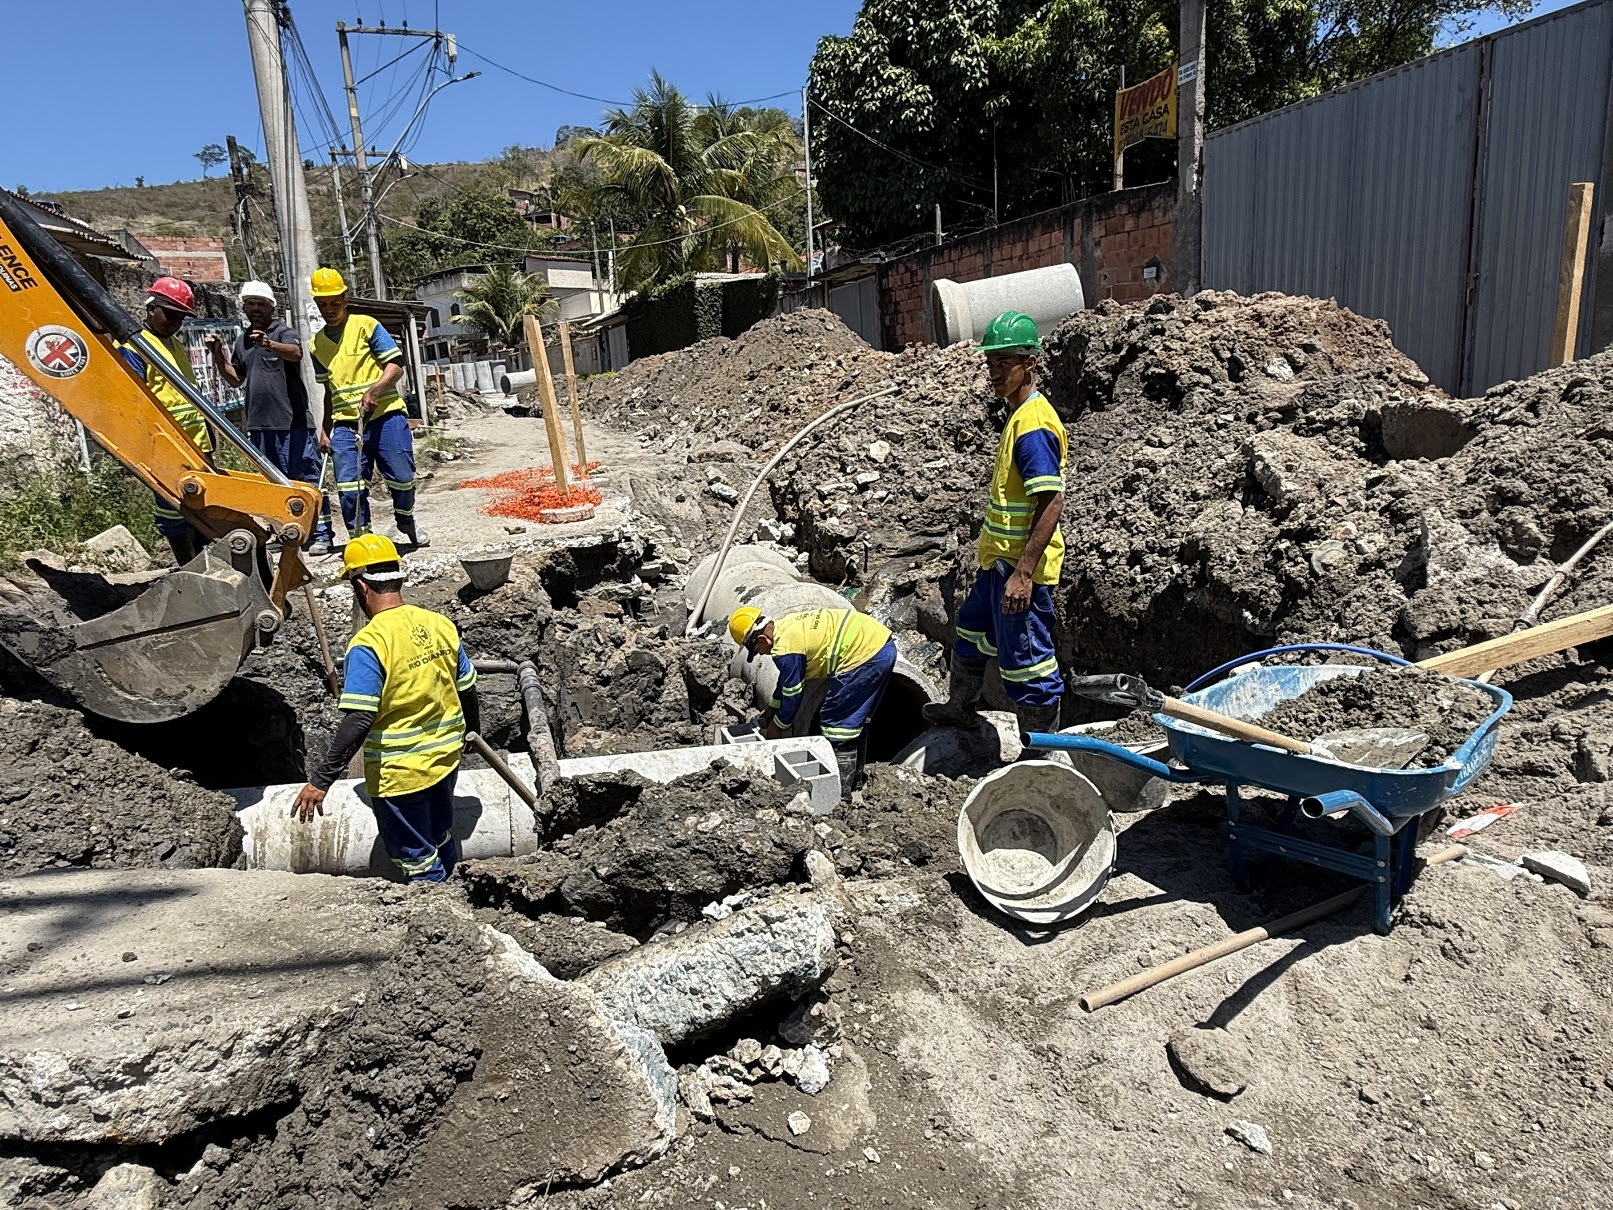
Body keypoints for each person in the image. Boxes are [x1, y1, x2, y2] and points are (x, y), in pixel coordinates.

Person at [291, 534, 477, 883]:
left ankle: (441, 914)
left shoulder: (369, 644)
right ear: (398, 577)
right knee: (440, 834)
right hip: (446, 759)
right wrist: (471, 731)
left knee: (417, 857)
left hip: (400, 775)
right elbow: (467, 686)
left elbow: (360, 718)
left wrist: (321, 780)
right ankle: (454, 886)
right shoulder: (439, 624)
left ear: (360, 586)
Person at [924, 310, 1067, 742]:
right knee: (969, 632)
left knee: (1029, 665)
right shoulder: (1017, 415)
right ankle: (961, 708)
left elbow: (1051, 501)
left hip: (1021, 572)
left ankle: (1040, 754)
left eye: (1005, 363)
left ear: (1030, 364)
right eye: (991, 363)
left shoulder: (1034, 426)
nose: (995, 372)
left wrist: (1023, 574)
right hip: (997, 565)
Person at [205, 280, 333, 554]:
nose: (255, 309)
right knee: (273, 485)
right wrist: (218, 356)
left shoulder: (284, 332)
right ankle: (283, 533)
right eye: (250, 304)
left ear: (271, 307)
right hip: (260, 425)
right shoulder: (242, 341)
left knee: (305, 478)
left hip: (292, 423)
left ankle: (321, 533)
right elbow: (236, 379)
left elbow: (296, 354)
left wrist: (270, 344)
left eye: (260, 304)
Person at [308, 267, 428, 549]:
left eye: (335, 303)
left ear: (345, 299)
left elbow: (396, 366)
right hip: (346, 425)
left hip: (385, 417)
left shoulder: (367, 326)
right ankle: (362, 543)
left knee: (401, 477)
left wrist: (374, 391)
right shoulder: (316, 345)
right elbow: (329, 391)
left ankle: (405, 518)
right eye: (323, 304)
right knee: (349, 488)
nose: (329, 309)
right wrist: (325, 431)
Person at [729, 604, 896, 794]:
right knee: (856, 723)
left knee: (838, 727)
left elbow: (793, 694)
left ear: (762, 638)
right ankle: (855, 783)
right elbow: (786, 679)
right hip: (882, 645)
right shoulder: (786, 626)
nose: (760, 653)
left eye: (757, 649)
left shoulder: (785, 648)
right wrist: (773, 707)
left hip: (864, 655)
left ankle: (840, 795)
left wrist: (779, 724)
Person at [117, 276, 211, 566]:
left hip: (195, 442)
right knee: (173, 510)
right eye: (169, 314)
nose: (175, 322)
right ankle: (189, 567)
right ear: (150, 309)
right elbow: (135, 402)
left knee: (201, 508)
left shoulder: (175, 345)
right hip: (166, 445)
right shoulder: (135, 348)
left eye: (180, 317)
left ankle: (205, 565)